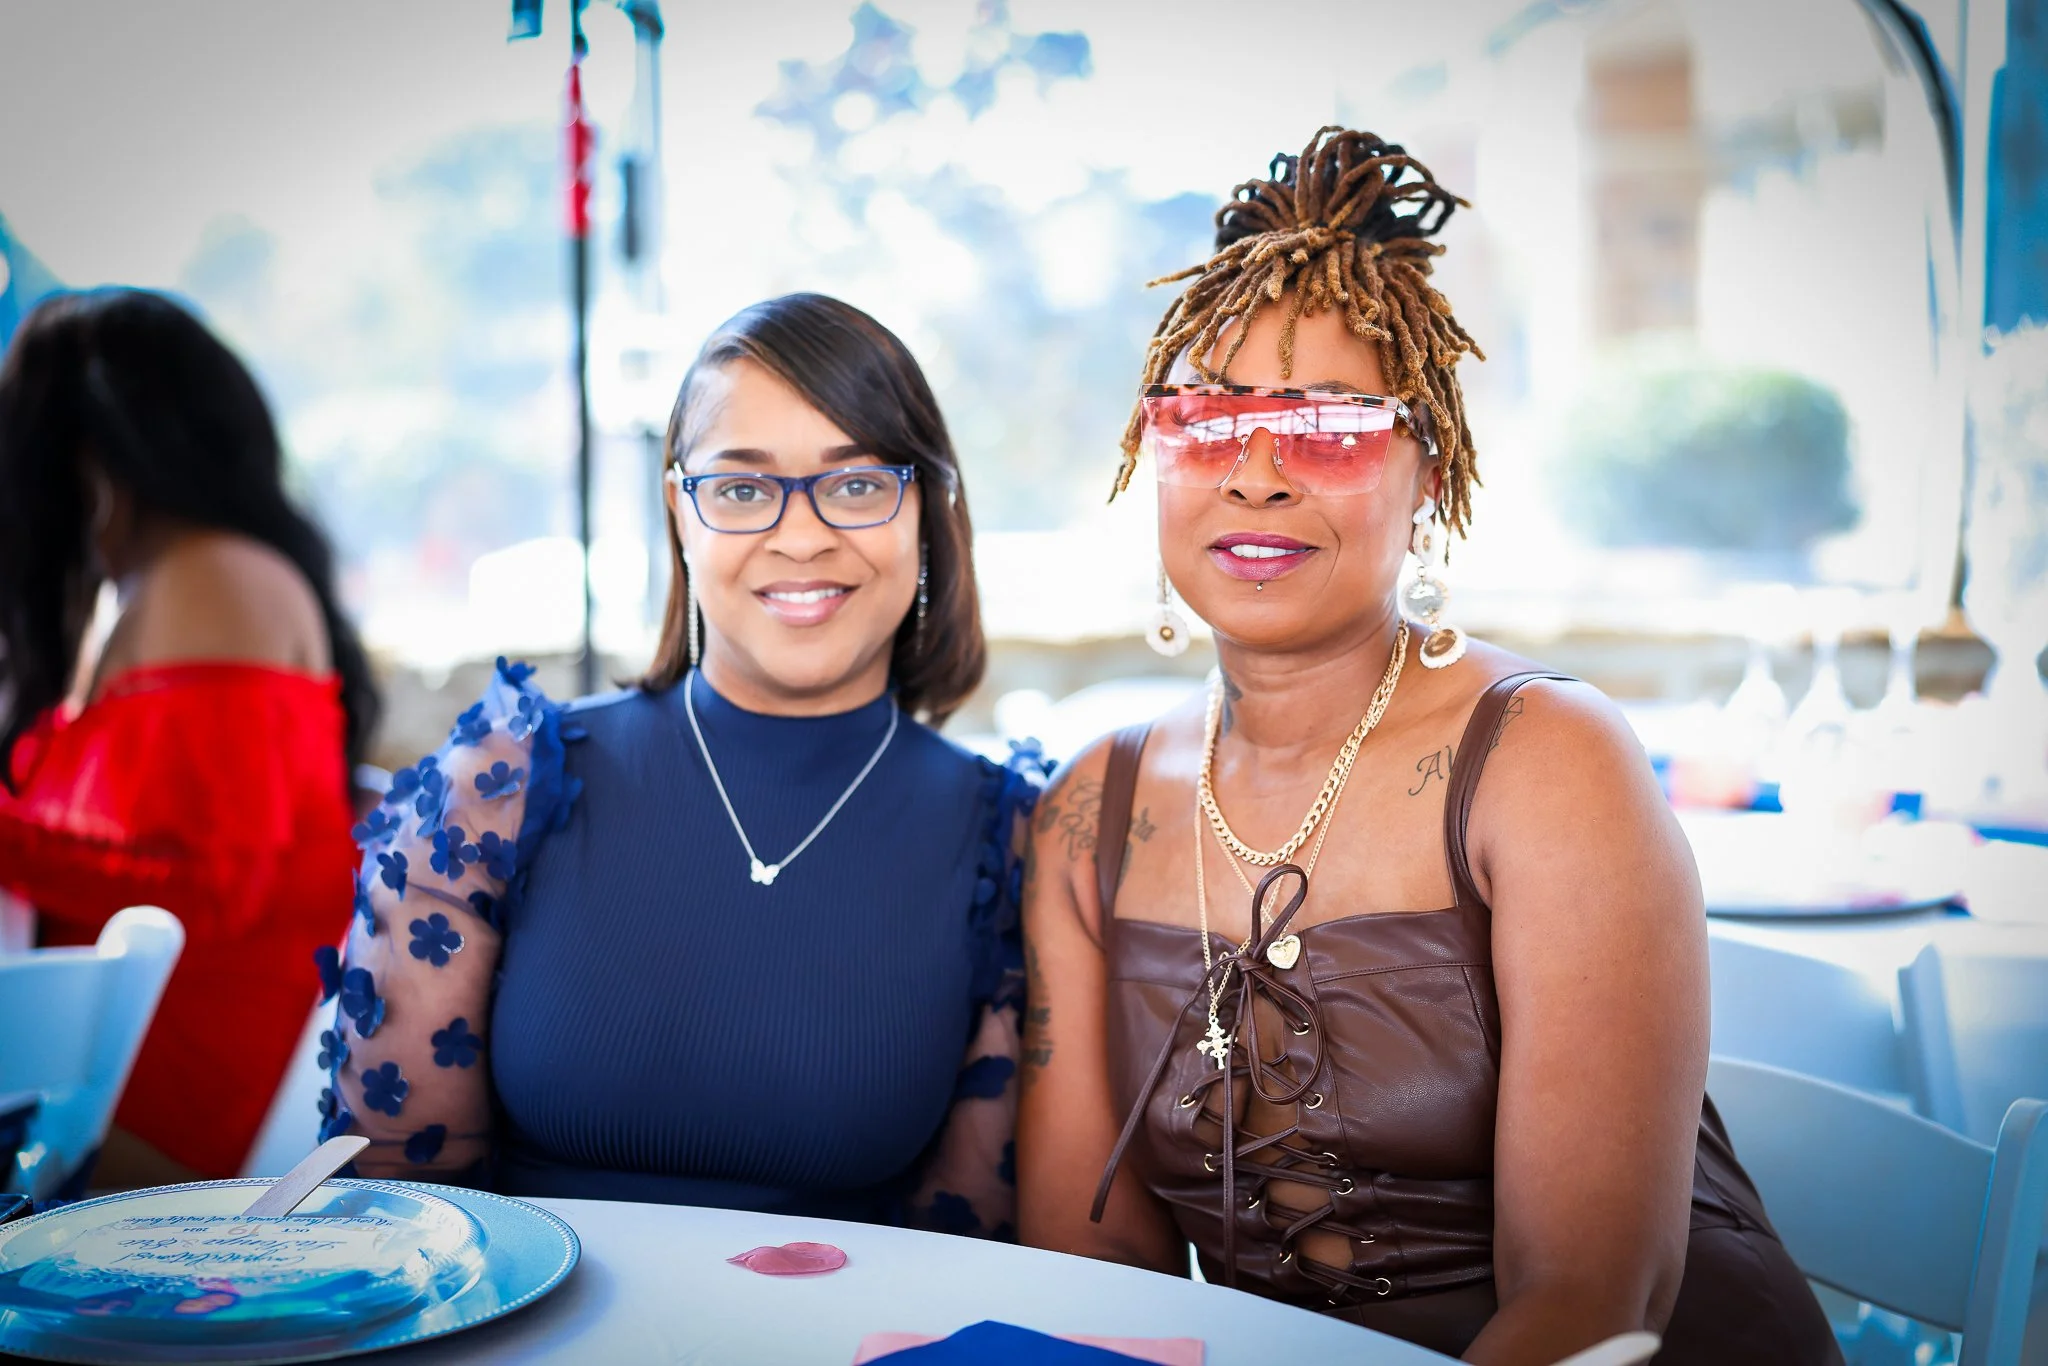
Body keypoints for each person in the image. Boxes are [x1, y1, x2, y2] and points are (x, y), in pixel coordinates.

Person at [1017, 129, 1840, 1364]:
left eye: (1329, 427)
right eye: (1207, 419)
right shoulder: (1090, 809)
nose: (1255, 475)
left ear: (1429, 471)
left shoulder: (1546, 758)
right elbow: (1097, 1276)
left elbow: (1587, 1301)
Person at [324, 293, 1038, 1234]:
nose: (801, 536)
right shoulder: (496, 792)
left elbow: (972, 1250)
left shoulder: (1005, 844)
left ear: (928, 509)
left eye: (858, 483)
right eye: (741, 489)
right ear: (680, 512)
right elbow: (389, 1220)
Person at [0, 289, 377, 1185]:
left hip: (176, 1064)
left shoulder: (213, 576)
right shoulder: (136, 588)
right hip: (102, 1042)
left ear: (83, 452)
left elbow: (213, 891)